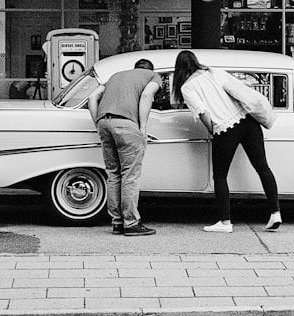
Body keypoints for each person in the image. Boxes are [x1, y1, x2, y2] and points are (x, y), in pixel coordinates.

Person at [171, 50, 281, 233]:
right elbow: (238, 89)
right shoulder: (214, 72)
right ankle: (275, 213)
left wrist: (212, 130)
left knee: (220, 176)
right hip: (248, 121)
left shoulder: (187, 87)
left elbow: (202, 113)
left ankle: (225, 221)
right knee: (262, 167)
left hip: (225, 128)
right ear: (195, 62)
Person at [87, 59, 162, 237]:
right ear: (149, 70)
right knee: (130, 175)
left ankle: (117, 223)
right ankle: (131, 223)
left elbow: (92, 97)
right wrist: (143, 127)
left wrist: (97, 122)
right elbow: (146, 96)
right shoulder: (153, 76)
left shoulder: (115, 76)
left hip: (105, 123)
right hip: (127, 126)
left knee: (113, 174)